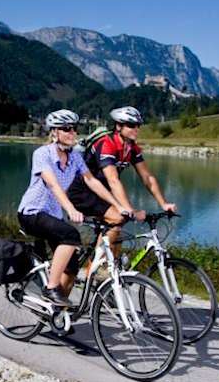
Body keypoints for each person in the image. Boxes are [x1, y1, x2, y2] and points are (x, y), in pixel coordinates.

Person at [17, 109, 127, 307]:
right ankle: (50, 289)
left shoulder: (75, 157)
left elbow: (92, 181)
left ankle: (56, 312)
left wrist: (117, 205)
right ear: (54, 132)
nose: (72, 133)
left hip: (52, 216)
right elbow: (53, 184)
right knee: (70, 236)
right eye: (66, 129)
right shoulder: (42, 154)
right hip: (32, 213)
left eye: (74, 129)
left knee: (72, 268)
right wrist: (70, 208)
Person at [66, 106, 177, 271]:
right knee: (118, 217)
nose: (137, 129)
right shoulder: (106, 144)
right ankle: (95, 268)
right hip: (81, 191)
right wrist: (129, 209)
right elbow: (113, 180)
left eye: (138, 125)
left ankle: (112, 271)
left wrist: (163, 204)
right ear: (119, 126)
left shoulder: (131, 147)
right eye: (132, 125)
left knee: (117, 224)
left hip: (101, 193)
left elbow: (147, 177)